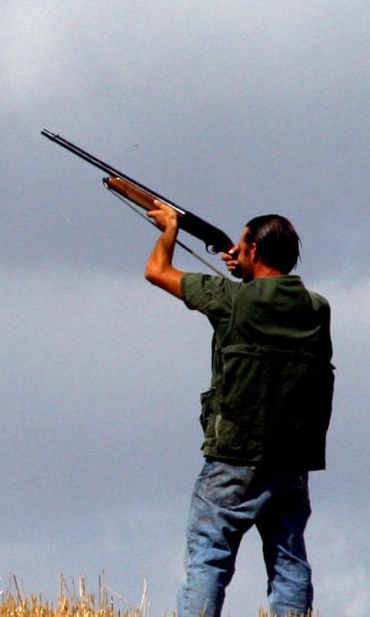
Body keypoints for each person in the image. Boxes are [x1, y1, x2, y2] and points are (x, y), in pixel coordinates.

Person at [143, 202, 333, 617]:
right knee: (289, 561)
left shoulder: (231, 300)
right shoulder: (317, 309)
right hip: (292, 459)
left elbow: (157, 271)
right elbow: (266, 302)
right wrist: (247, 272)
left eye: (242, 246)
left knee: (209, 554)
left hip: (235, 456)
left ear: (254, 253)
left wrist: (169, 229)